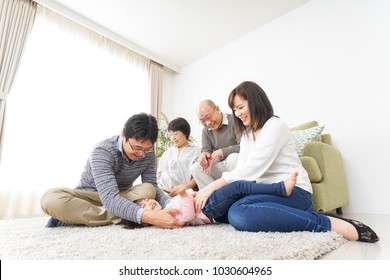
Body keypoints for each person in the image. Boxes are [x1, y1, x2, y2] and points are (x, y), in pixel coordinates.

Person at [193, 81, 379, 243]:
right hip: (267, 192)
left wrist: (210, 188)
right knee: (233, 210)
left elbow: (252, 168)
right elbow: (243, 169)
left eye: (240, 107)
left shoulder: (275, 126)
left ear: (256, 101)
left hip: (296, 194)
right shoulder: (247, 135)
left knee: (238, 214)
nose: (237, 113)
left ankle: (325, 223)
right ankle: (206, 210)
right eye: (234, 109)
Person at [40, 113, 185, 229]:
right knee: (50, 199)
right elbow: (109, 198)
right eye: (137, 148)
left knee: (148, 189)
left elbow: (152, 185)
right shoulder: (103, 151)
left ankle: (77, 218)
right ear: (123, 135)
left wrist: (170, 205)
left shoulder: (148, 152)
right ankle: (124, 216)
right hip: (90, 197)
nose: (141, 154)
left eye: (146, 149)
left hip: (121, 195)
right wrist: (150, 216)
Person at [123, 172, 299, 229]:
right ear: (146, 221)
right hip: (209, 208)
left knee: (247, 200)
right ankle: (279, 188)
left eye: (147, 200)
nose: (150, 203)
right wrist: (185, 195)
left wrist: (188, 194)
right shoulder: (166, 217)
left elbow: (189, 200)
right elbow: (187, 215)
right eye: (146, 207)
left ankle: (287, 204)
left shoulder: (168, 204)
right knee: (238, 187)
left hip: (211, 210)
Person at [190, 99, 240, 189]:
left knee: (233, 158)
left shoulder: (235, 121)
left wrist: (220, 152)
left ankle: (235, 194)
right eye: (202, 121)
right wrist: (204, 155)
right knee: (196, 167)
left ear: (217, 109)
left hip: (237, 167)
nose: (208, 123)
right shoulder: (206, 131)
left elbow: (244, 147)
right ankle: (213, 199)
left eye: (208, 117)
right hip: (221, 168)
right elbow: (206, 149)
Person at [157, 117, 201, 197]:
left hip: (183, 194)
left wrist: (184, 188)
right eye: (171, 134)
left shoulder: (197, 151)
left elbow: (198, 175)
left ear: (185, 133)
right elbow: (159, 174)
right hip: (163, 192)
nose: (173, 137)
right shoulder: (167, 153)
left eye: (176, 134)